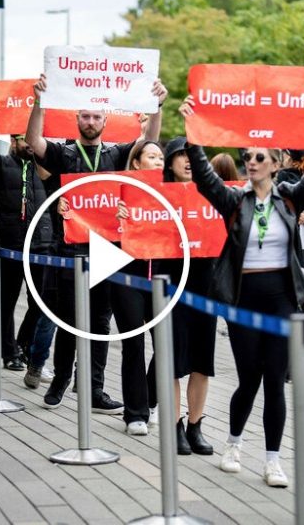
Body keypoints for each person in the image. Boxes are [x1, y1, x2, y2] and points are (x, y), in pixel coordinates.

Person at [179, 94, 304, 487]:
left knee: (275, 379)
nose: (251, 161)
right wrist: (193, 132)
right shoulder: (234, 200)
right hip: (244, 300)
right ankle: (233, 445)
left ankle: (273, 460)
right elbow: (202, 175)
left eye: (260, 157)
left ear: (277, 164)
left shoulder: (293, 198)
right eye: (247, 155)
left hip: (281, 300)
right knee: (248, 379)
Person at [23, 73, 168, 412]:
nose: (90, 121)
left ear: (105, 120)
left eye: (96, 117)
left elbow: (149, 142)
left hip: (107, 252)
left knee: (101, 321)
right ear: (77, 119)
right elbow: (33, 140)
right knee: (70, 320)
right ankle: (61, 378)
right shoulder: (64, 154)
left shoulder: (117, 156)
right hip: (69, 250)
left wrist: (156, 105)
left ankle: (94, 389)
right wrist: (40, 102)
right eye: (85, 116)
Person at [143, 136, 219, 454]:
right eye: (181, 155)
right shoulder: (153, 195)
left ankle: (195, 426)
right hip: (168, 285)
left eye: (194, 155)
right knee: (173, 360)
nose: (188, 160)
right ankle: (173, 426)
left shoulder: (215, 195)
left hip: (206, 285)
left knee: (202, 362)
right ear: (170, 161)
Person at [0, 98, 54, 372]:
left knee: (41, 303)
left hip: (41, 246)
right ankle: (9, 352)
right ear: (13, 140)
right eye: (22, 139)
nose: (28, 144)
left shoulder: (46, 169)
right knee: (4, 304)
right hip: (9, 245)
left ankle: (22, 345)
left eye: (31, 139)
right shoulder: (2, 164)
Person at [110, 140, 165, 436]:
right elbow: (90, 214)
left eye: (161, 157)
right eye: (152, 156)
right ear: (135, 163)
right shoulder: (119, 189)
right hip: (126, 276)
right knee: (134, 344)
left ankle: (152, 401)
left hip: (161, 277)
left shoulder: (173, 194)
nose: (158, 161)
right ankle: (135, 414)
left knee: (166, 344)